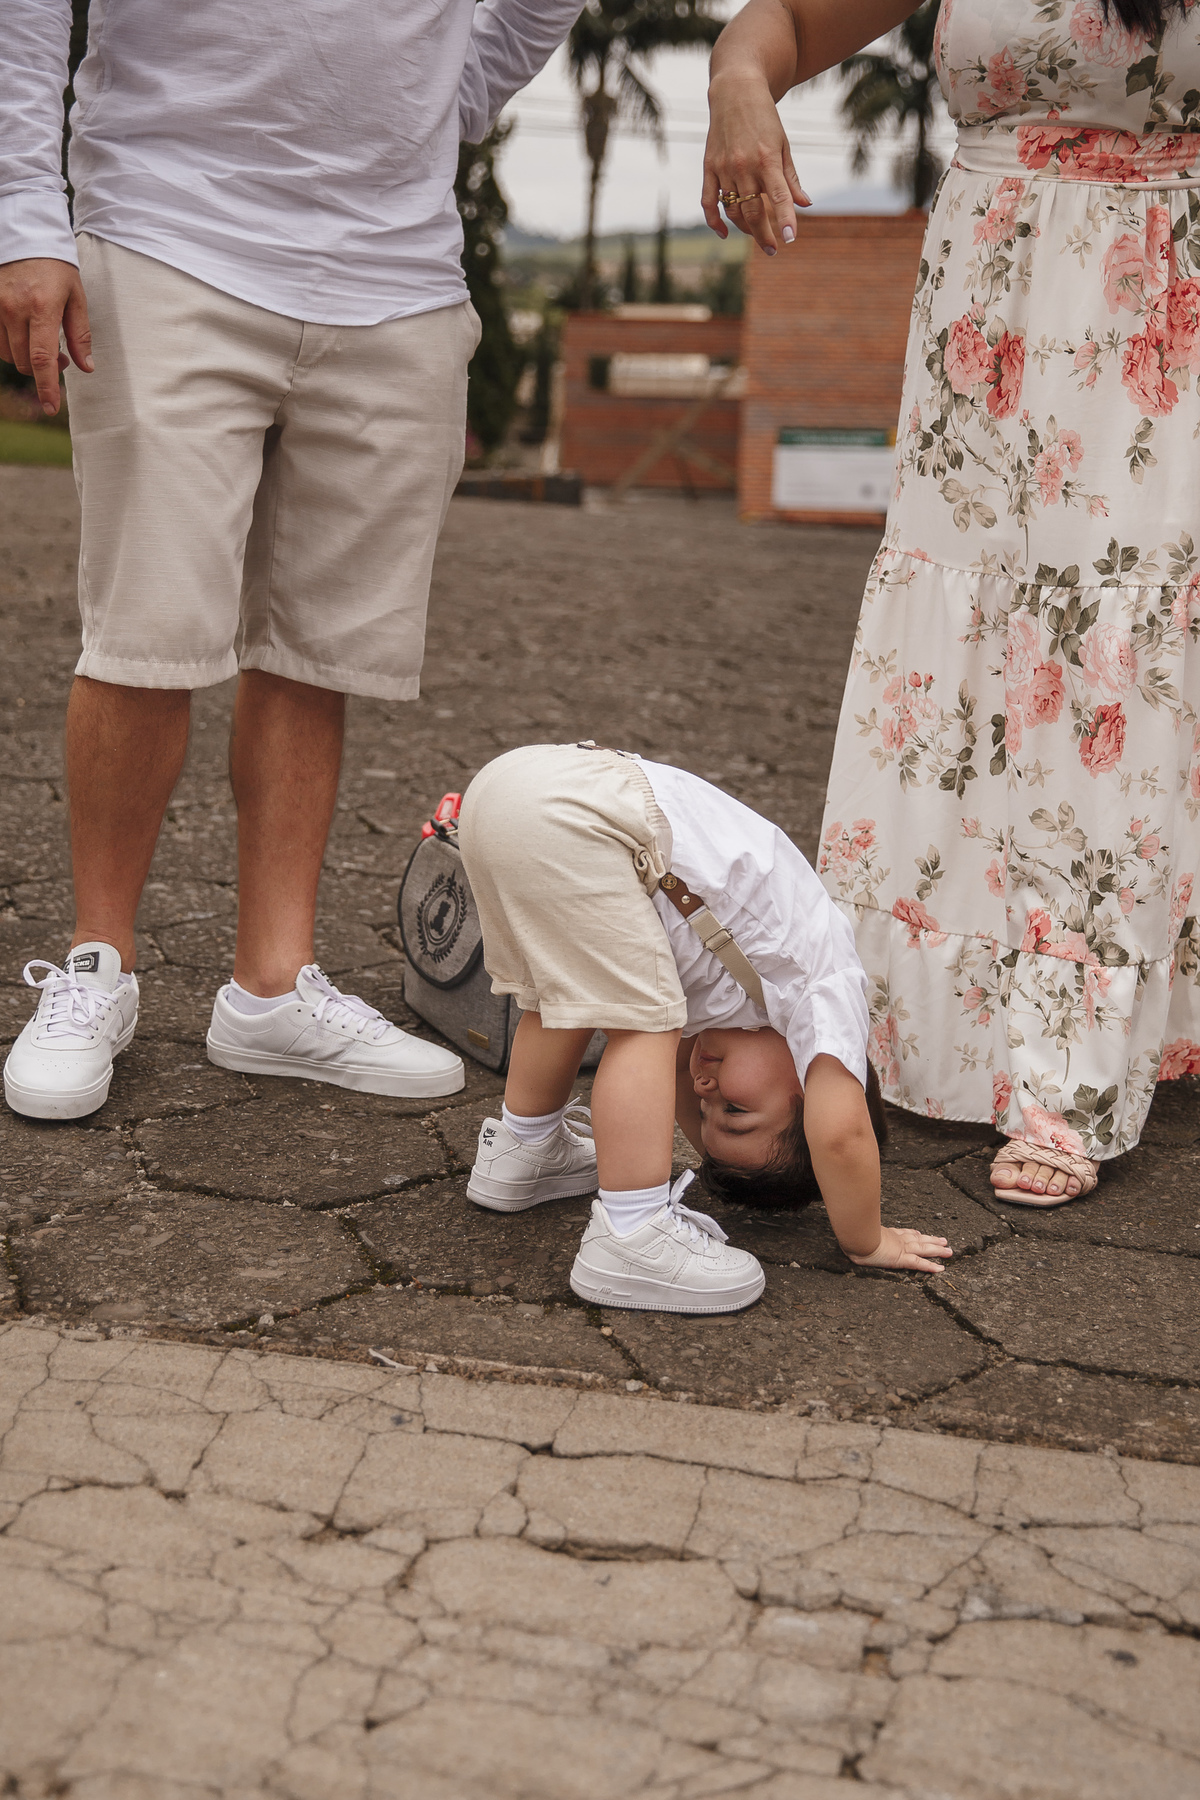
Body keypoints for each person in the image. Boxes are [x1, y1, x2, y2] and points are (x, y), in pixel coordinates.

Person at [0, 0, 583, 1121]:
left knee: (322, 645)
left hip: (398, 272)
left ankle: (272, 988)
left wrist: (435, 100)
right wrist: (25, 216)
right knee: (144, 632)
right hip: (168, 229)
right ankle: (96, 966)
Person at [703, 0, 1200, 1206]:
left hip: (1161, 300)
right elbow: (790, 21)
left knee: (1110, 652)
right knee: (962, 665)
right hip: (991, 295)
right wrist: (737, 79)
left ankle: (1070, 1066)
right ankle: (909, 1027)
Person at [456, 742, 951, 1313]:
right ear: (811, 1091)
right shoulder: (825, 982)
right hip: (587, 816)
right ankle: (631, 1232)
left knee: (567, 1001)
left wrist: (709, 1138)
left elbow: (672, 1080)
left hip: (513, 788)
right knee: (643, 1025)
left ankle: (524, 1148)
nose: (702, 1088)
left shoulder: (738, 1008)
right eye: (734, 1110)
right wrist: (867, 1241)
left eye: (704, 1109)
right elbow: (841, 1136)